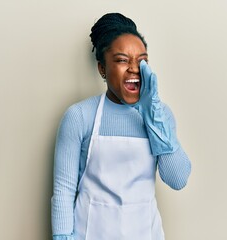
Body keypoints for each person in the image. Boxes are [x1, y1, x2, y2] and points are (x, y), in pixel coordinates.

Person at [51, 13, 191, 240]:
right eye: (122, 60)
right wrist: (63, 236)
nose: (134, 68)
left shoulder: (161, 115)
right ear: (102, 69)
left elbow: (177, 179)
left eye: (141, 60)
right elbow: (63, 189)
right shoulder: (79, 116)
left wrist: (154, 118)